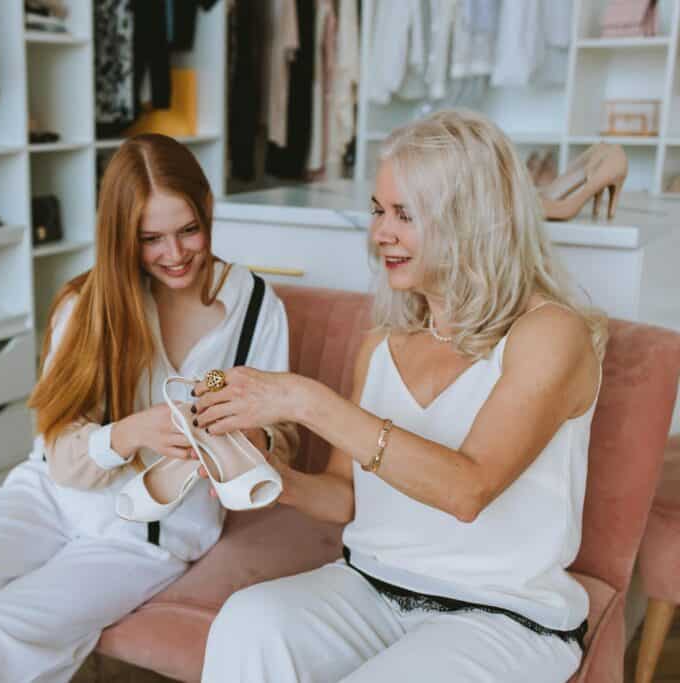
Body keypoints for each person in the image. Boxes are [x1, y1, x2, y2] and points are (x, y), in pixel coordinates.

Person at [195, 110, 607, 682]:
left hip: (503, 616)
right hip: (372, 587)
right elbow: (347, 498)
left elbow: (468, 488)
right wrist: (264, 475)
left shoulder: (548, 334)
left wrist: (307, 401)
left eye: (404, 215)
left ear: (471, 220)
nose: (380, 233)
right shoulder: (383, 345)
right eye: (378, 211)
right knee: (246, 623)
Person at [0, 133, 299, 683]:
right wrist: (130, 433)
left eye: (188, 230)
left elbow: (285, 439)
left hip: (151, 534)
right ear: (121, 235)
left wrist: (243, 439)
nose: (175, 255)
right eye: (151, 238)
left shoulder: (256, 309)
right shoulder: (86, 305)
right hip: (53, 495)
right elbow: (59, 453)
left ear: (208, 211)